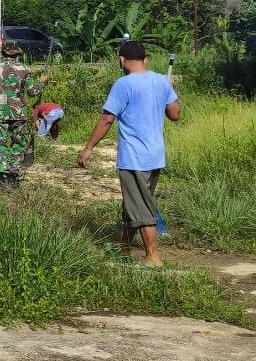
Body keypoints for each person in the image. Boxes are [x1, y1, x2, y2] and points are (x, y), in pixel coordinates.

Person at [77, 40, 180, 266]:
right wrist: (170, 89)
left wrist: (89, 147)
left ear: (122, 60)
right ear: (146, 58)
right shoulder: (161, 81)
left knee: (141, 207)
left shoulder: (124, 84)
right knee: (133, 203)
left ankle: (153, 257)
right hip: (155, 156)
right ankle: (124, 248)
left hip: (135, 157)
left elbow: (107, 118)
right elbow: (175, 114)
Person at [0, 40, 47, 185]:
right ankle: (13, 173)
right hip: (19, 113)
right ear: (17, 53)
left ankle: (1, 173)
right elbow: (32, 92)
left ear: (2, 52)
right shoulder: (24, 69)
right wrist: (42, 82)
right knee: (17, 143)